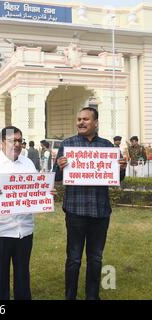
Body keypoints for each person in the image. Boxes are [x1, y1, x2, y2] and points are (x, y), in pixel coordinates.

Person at [53, 107, 127, 300]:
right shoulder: (67, 144)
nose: (81, 122)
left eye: (86, 119)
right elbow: (57, 176)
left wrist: (121, 168)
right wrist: (60, 167)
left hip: (100, 211)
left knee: (95, 258)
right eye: (78, 119)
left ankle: (92, 296)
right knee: (74, 259)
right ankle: (70, 296)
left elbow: (118, 178)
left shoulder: (108, 146)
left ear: (96, 123)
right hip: (75, 211)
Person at [0, 126, 37, 300]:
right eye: (12, 141)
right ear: (2, 142)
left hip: (24, 230)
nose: (17, 144)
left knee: (22, 275)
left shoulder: (28, 163)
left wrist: (44, 193)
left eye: (20, 141)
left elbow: (34, 189)